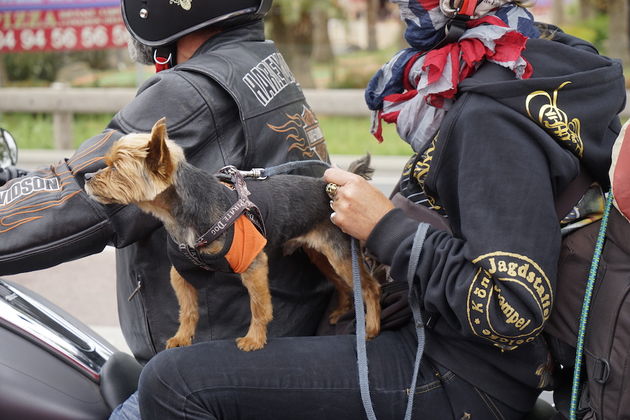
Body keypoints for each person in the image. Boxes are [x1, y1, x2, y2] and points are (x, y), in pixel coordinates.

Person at [135, 1, 626, 419]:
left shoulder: (491, 118)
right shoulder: (528, 72)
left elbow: (511, 309)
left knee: (174, 381)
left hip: (457, 375)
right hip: (441, 340)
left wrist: (386, 229)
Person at [0, 0, 333, 378]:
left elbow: (78, 196)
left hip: (213, 360)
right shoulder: (259, 65)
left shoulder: (190, 90)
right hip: (288, 330)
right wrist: (17, 180)